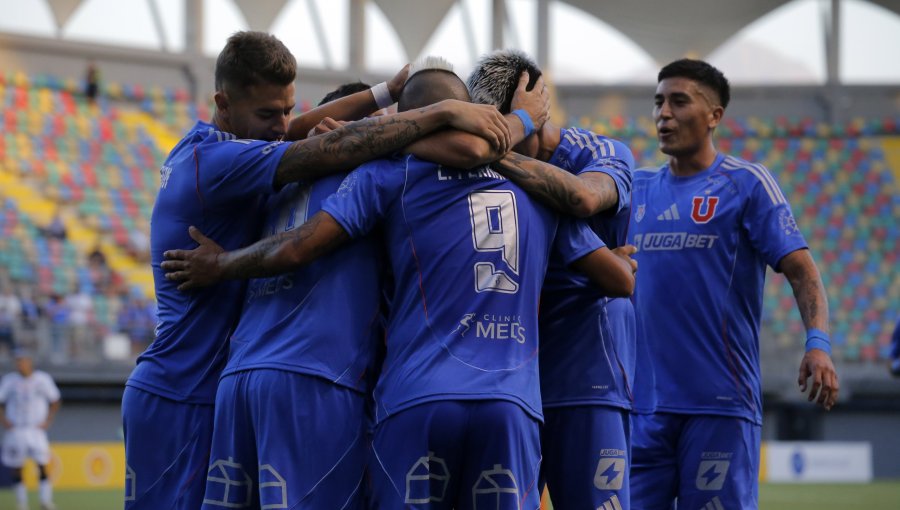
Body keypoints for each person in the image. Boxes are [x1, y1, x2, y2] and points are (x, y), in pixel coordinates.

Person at [161, 61, 636, 509]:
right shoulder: (542, 190)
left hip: (397, 395)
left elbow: (298, 244)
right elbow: (618, 279)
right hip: (507, 399)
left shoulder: (375, 175)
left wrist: (221, 264)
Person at [121, 31, 512, 510]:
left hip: (219, 383)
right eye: (269, 114)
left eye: (287, 110)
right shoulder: (218, 163)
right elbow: (326, 152)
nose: (282, 125)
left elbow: (299, 135)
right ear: (223, 103)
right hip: (187, 391)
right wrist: (443, 113)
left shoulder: (213, 147)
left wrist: (387, 93)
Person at [627, 58, 839, 510]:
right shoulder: (637, 190)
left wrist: (817, 344)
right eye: (658, 101)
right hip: (642, 407)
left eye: (679, 101)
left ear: (714, 116)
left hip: (719, 403)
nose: (663, 112)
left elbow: (803, 271)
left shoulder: (746, 184)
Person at [459, 49, 637, 509]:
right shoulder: (477, 163)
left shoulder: (602, 153)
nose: (501, 140)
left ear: (538, 110)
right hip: (510, 377)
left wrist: (493, 153)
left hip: (587, 374)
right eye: (491, 131)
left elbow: (580, 199)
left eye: (513, 128)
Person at [0, 349, 61, 510]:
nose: (20, 364)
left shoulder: (42, 379)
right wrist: (4, 420)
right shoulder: (9, 381)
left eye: (22, 361)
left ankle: (45, 501)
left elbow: (55, 400)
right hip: (16, 429)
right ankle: (22, 503)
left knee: (42, 463)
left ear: (30, 362)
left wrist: (48, 420)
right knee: (16, 467)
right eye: (17, 361)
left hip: (36, 430)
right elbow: (1, 401)